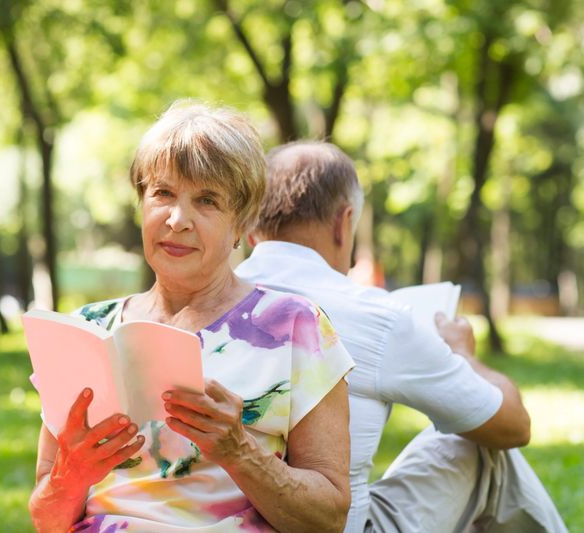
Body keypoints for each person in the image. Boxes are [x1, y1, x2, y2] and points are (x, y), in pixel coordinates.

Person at [28, 105, 356, 532]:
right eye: (162, 193)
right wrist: (72, 474)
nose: (177, 220)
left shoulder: (295, 327)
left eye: (207, 201)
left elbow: (328, 519)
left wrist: (239, 451)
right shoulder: (87, 329)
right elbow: (46, 519)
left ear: (241, 224)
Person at [236, 141, 568, 533]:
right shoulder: (376, 317)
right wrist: (464, 356)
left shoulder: (217, 302)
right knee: (485, 447)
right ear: (344, 224)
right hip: (337, 524)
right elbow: (512, 426)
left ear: (252, 228)